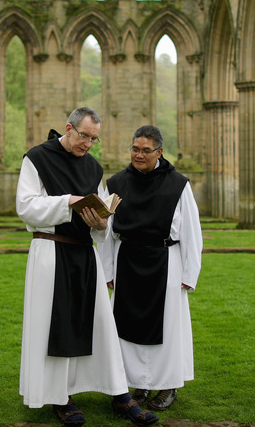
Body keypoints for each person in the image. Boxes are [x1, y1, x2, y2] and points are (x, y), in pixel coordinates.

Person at [15, 107, 158, 427]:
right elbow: (25, 207)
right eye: (84, 136)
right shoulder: (37, 158)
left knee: (100, 327)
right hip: (51, 252)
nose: (88, 144)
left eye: (94, 139)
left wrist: (100, 221)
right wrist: (67, 202)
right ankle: (61, 397)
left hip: (84, 255)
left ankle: (119, 394)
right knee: (55, 324)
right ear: (68, 127)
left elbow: (103, 218)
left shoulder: (93, 167)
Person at [99, 125, 203, 411]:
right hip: (127, 261)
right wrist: (107, 271)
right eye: (135, 149)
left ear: (159, 152)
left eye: (146, 150)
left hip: (165, 262)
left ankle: (168, 386)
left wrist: (189, 274)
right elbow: (107, 232)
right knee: (126, 328)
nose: (139, 154)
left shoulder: (178, 184)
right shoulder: (116, 183)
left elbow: (192, 232)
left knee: (168, 327)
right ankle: (138, 386)